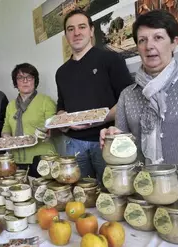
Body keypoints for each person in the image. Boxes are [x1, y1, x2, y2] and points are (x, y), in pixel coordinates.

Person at [100, 10, 178, 243]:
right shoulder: (128, 95)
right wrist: (112, 140)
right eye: (142, 40)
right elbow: (126, 151)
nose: (149, 46)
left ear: (174, 42)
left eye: (158, 37)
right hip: (140, 203)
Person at [56, 9, 133, 181]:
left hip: (107, 141)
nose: (76, 33)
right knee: (79, 194)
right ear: (66, 35)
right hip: (73, 143)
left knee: (112, 193)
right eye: (71, 29)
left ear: (91, 31)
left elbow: (128, 100)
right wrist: (64, 120)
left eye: (82, 27)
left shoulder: (111, 59)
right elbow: (61, 107)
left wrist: (101, 118)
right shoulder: (61, 72)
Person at [2, 63, 57, 176]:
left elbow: (53, 126)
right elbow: (6, 126)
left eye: (29, 77)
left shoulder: (46, 101)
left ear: (35, 80)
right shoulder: (11, 105)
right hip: (16, 158)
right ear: (15, 82)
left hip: (42, 157)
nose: (25, 81)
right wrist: (7, 138)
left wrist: (47, 132)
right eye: (20, 78)